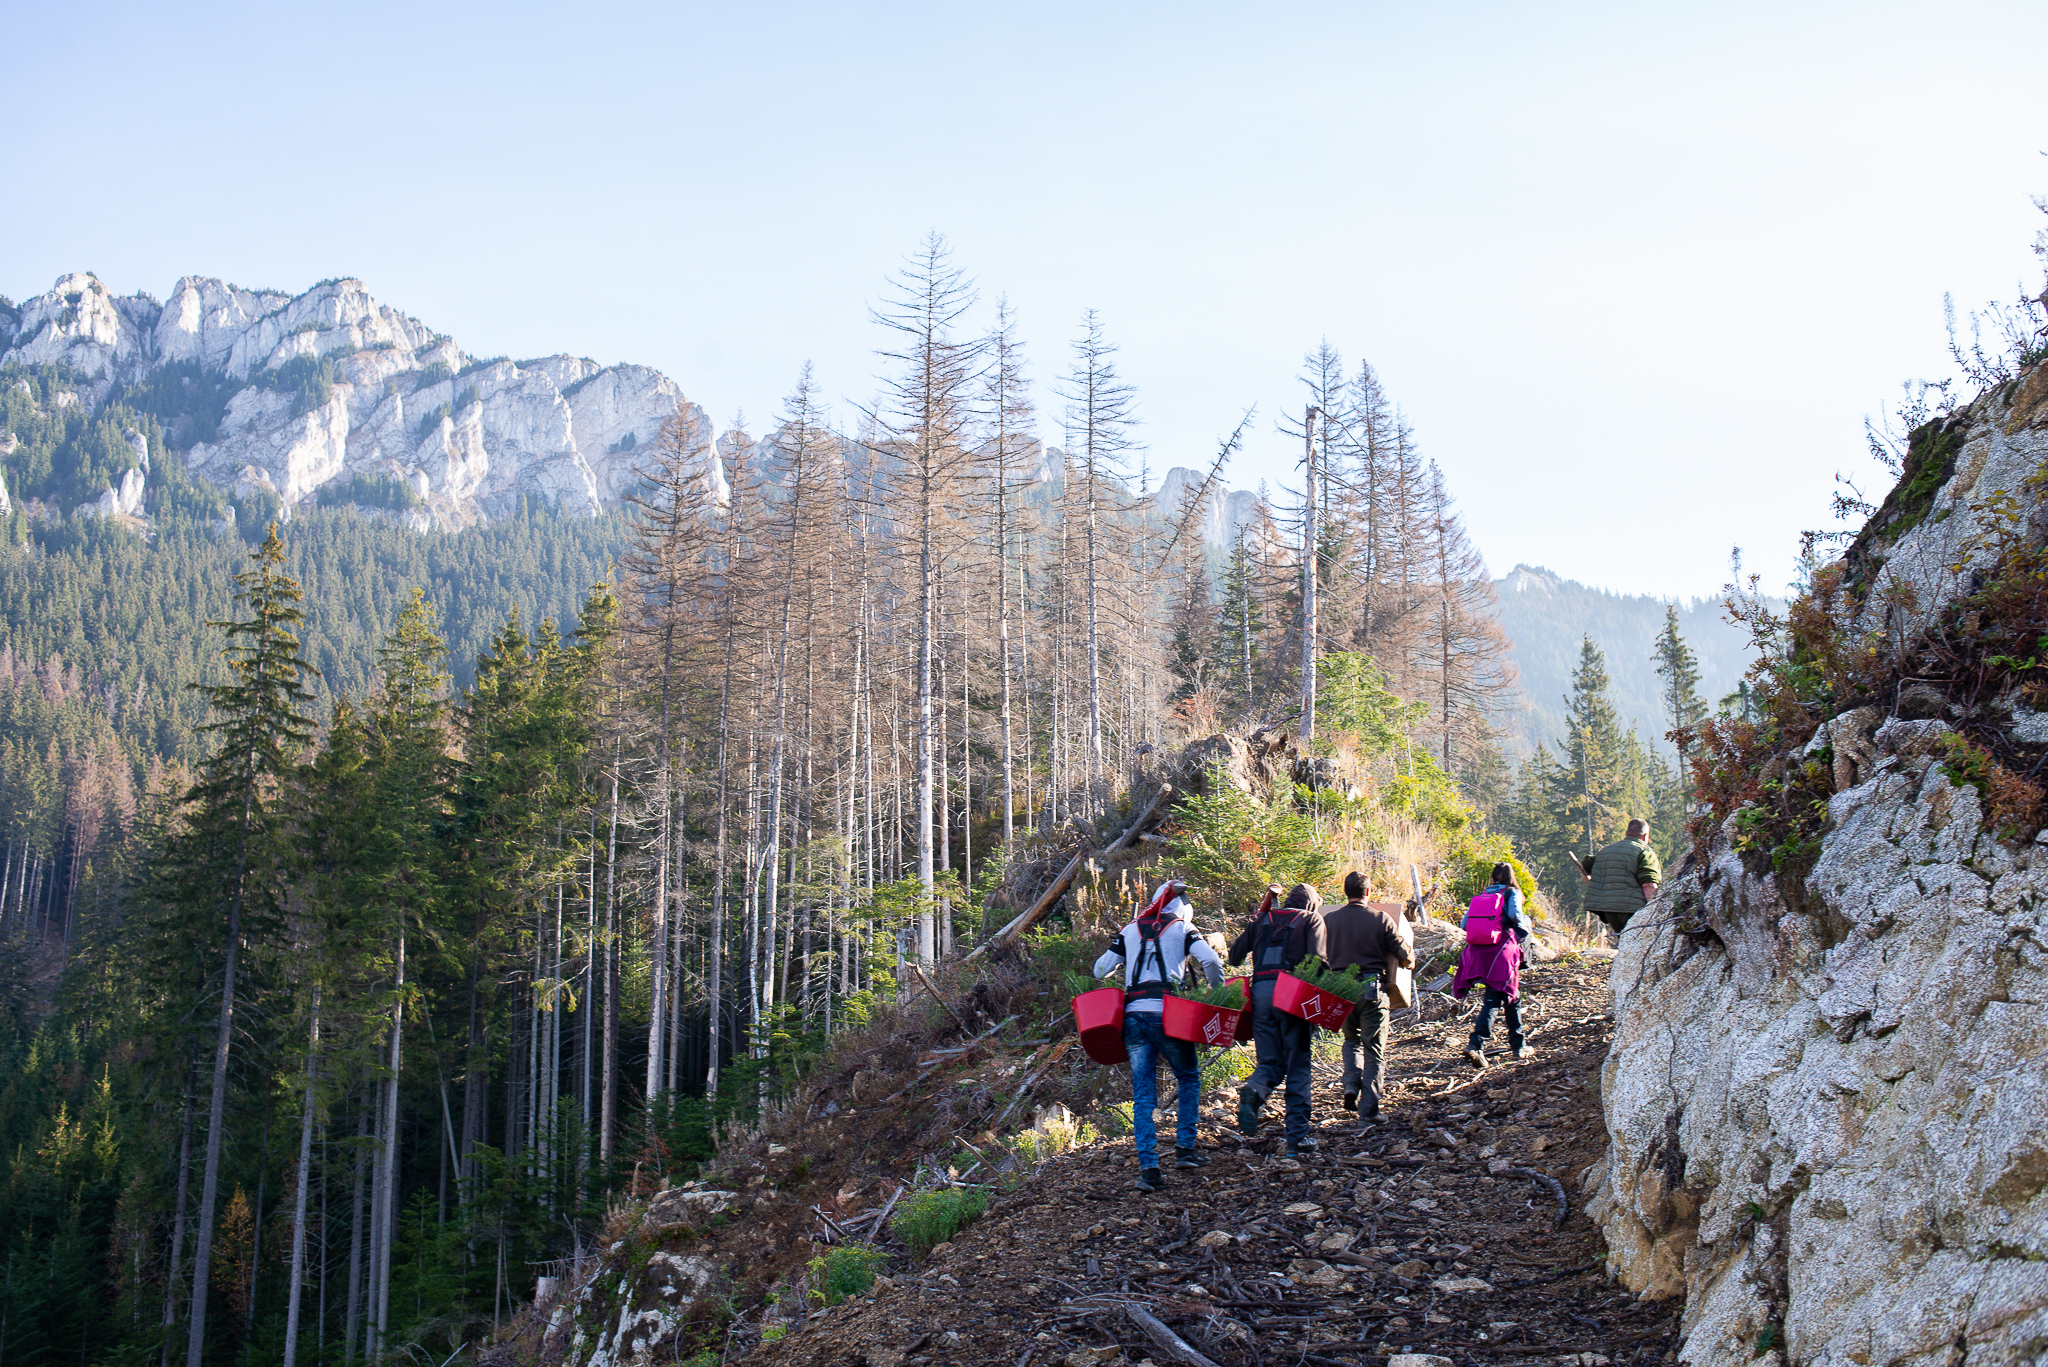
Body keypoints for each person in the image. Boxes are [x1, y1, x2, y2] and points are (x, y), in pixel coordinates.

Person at [1093, 878, 1226, 1192]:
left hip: (1134, 1017)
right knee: (1188, 1077)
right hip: (1170, 1014)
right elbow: (1209, 959)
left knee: (1143, 1095)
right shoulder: (1182, 928)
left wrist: (1124, 964)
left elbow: (1100, 969)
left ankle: (1149, 1168)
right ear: (1183, 908)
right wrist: (1218, 994)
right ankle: (1185, 1150)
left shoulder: (1130, 930)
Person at [1227, 882, 1328, 1157]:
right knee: (1297, 1063)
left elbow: (1235, 957)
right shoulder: (1311, 919)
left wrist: (1254, 929)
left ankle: (1254, 1091)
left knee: (1271, 1061)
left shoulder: (1261, 918)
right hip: (1292, 994)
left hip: (1259, 994)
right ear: (1311, 903)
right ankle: (1297, 1138)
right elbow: (1318, 961)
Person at [1319, 870, 1413, 1120]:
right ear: (1368, 892)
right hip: (1371, 990)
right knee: (1374, 1051)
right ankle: (1369, 1110)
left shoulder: (1329, 920)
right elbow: (1403, 952)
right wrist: (1409, 961)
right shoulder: (1380, 918)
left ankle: (1351, 1084)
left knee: (1351, 1041)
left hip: (1340, 991)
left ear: (1345, 893)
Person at [1455, 863, 1530, 1067]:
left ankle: (1518, 1045)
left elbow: (1464, 925)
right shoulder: (1511, 892)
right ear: (1510, 876)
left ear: (1493, 877)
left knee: (1511, 996)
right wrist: (1524, 932)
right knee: (1496, 997)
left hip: (1478, 951)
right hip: (1502, 950)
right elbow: (1515, 916)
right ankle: (1476, 1044)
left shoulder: (1482, 895)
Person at [1581, 819, 1662, 937]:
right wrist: (1653, 909)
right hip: (1633, 909)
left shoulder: (1606, 851)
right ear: (1645, 836)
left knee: (1623, 941)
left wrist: (1591, 884)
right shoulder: (1645, 852)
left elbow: (1584, 867)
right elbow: (1648, 884)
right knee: (1636, 942)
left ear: (1626, 833)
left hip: (1608, 908)